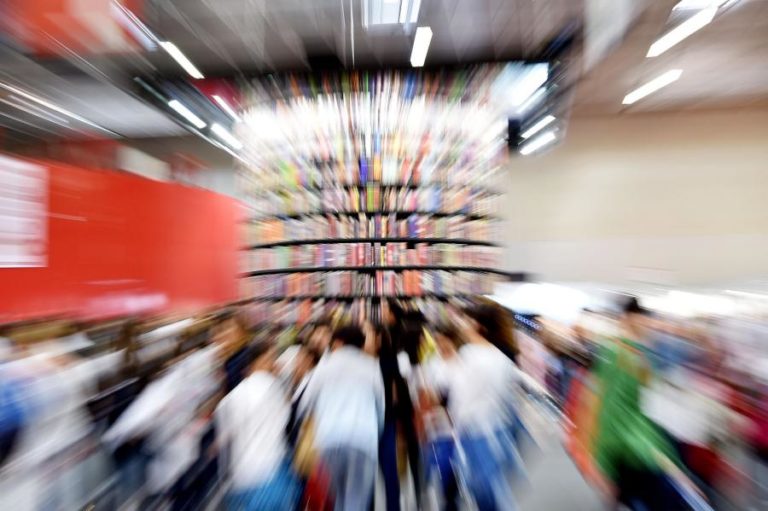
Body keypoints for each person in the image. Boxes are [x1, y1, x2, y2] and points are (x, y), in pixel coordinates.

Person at [591, 297, 682, 511]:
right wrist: (605, 461)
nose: (650, 325)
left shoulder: (639, 354)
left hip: (640, 447)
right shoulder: (621, 355)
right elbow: (610, 408)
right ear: (628, 319)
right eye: (643, 319)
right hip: (633, 450)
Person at [301, 325, 384, 511]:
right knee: (355, 502)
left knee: (336, 499)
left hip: (328, 440)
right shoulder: (371, 367)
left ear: (338, 342)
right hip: (363, 440)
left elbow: (306, 404)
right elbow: (380, 408)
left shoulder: (324, 367)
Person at [449, 310, 523, 511]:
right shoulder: (501, 358)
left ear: (477, 325)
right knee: (493, 488)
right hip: (496, 429)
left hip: (473, 430)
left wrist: (456, 427)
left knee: (481, 491)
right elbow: (507, 398)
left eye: (465, 320)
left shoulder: (468, 354)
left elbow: (459, 397)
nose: (461, 325)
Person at [215, 343, 300, 511]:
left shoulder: (228, 400)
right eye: (270, 358)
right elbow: (286, 418)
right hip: (271, 471)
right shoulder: (271, 385)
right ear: (259, 362)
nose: (274, 363)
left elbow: (224, 442)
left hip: (240, 477)